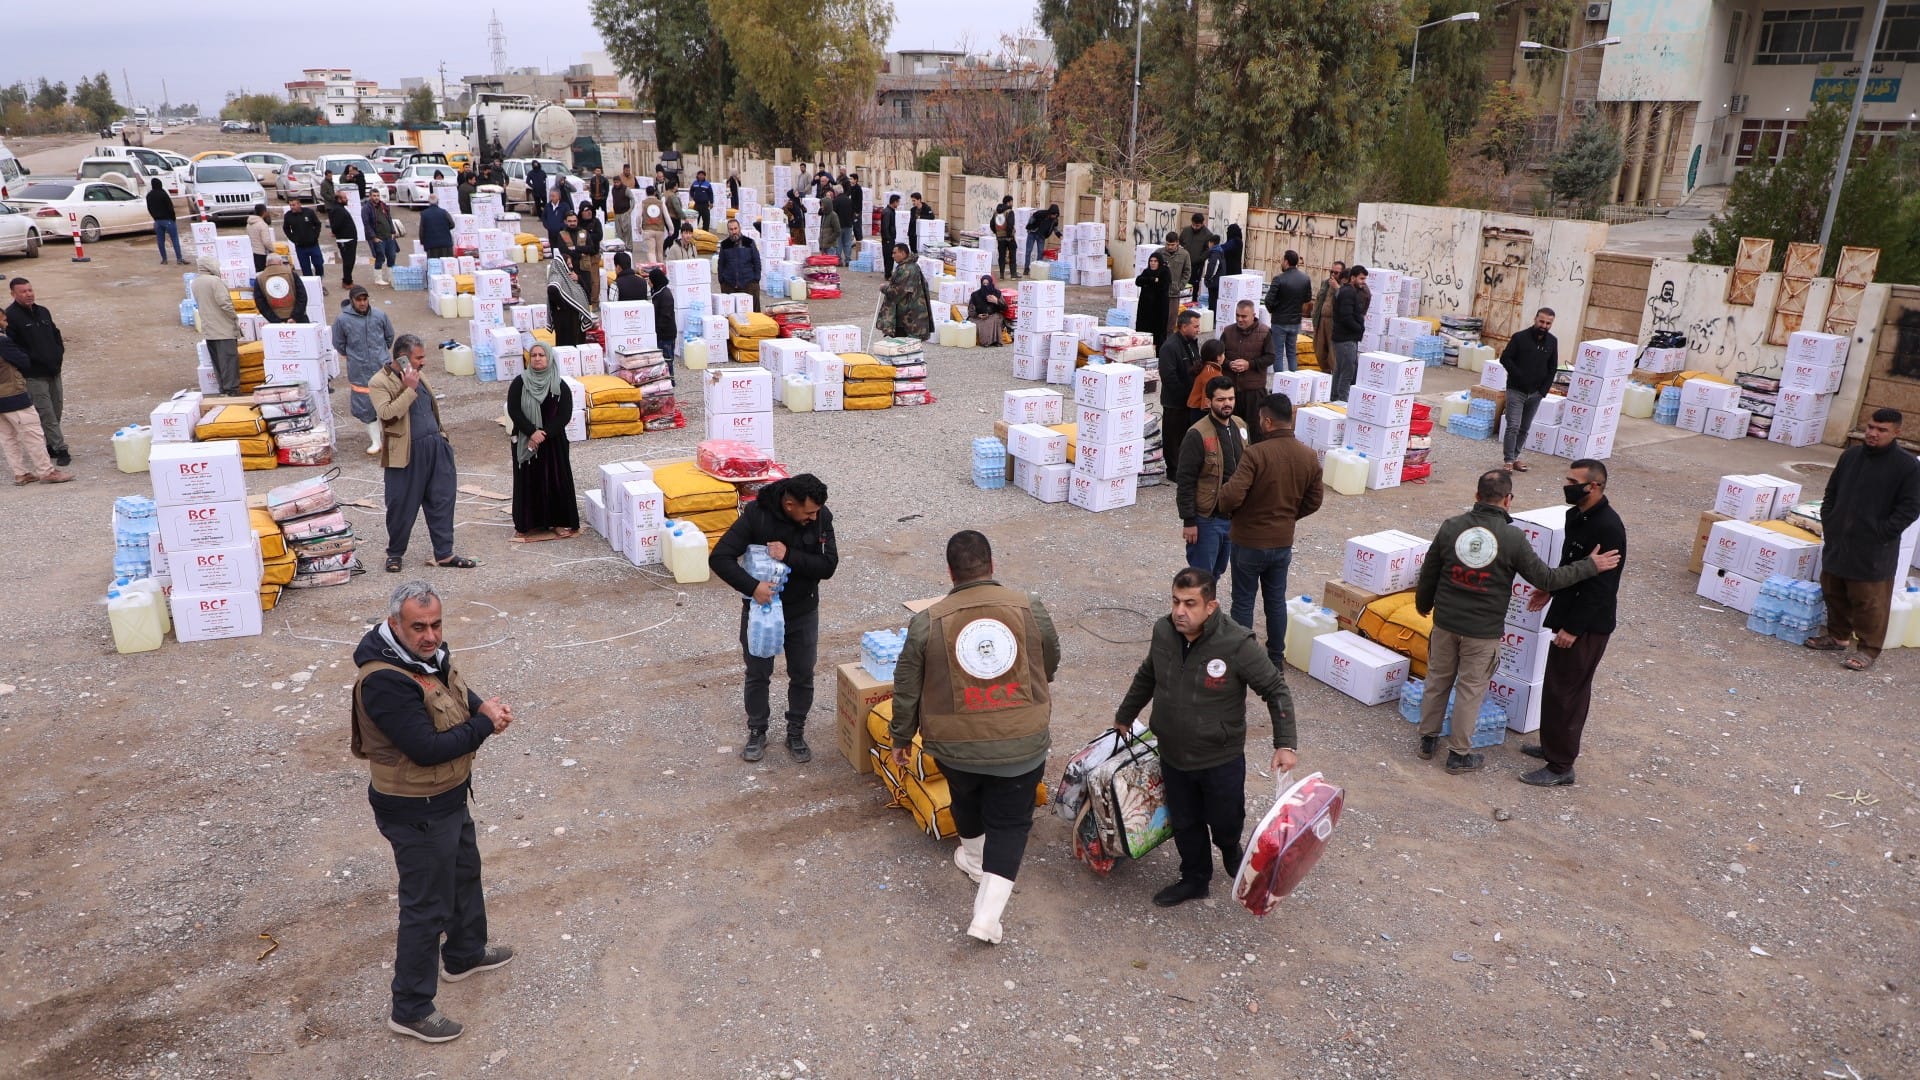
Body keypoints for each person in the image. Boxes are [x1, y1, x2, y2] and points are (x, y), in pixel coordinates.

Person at [353, 581, 515, 1043]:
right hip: (415, 809)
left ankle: (464, 953)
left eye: (436, 624)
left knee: (465, 871)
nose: (430, 636)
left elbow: (451, 684)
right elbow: (426, 749)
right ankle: (409, 1007)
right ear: (393, 625)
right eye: (418, 627)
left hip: (446, 796)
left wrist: (480, 704)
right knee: (425, 907)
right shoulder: (384, 680)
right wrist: (485, 725)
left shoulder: (426, 656)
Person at [888, 530, 1060, 944]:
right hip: (1022, 738)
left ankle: (976, 860)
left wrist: (900, 737)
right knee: (1011, 821)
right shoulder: (1028, 606)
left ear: (950, 572)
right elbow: (1050, 655)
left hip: (954, 745)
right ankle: (986, 914)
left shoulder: (928, 620)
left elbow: (907, 683)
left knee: (964, 795)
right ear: (991, 565)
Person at [1414, 470, 1620, 774]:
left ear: (1476, 496)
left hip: (1445, 623)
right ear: (1508, 500)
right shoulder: (1511, 538)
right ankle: (1458, 754)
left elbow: (1430, 571)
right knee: (1471, 690)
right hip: (1481, 632)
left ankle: (1428, 740)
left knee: (1437, 680)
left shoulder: (1452, 527)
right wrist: (1589, 565)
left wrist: (1423, 604)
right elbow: (1546, 577)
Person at [1113, 567, 1298, 908]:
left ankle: (1229, 846)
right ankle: (1195, 878)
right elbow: (1148, 673)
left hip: (1219, 758)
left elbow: (1275, 689)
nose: (1180, 611)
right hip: (1173, 754)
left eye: (1190, 604)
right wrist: (1125, 716)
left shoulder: (1236, 643)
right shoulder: (1163, 632)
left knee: (1225, 819)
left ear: (1210, 607)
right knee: (1185, 822)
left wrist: (1284, 744)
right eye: (1175, 602)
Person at [709, 474, 839, 764]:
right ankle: (757, 731)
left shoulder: (821, 516)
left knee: (803, 673)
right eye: (808, 512)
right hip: (762, 612)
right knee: (757, 673)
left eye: (817, 512)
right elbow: (720, 557)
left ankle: (796, 731)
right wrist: (752, 587)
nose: (814, 517)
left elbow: (828, 566)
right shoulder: (757, 515)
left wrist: (789, 554)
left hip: (803, 610)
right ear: (789, 504)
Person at [1516, 459, 1627, 787]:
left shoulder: (1609, 527)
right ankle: (1552, 746)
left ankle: (1561, 766)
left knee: (1568, 693)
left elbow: (1602, 588)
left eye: (1572, 480)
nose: (1566, 485)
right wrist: (1549, 588)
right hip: (1568, 612)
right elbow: (1571, 563)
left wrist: (1573, 629)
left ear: (1594, 486)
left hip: (1587, 625)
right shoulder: (1575, 516)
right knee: (1555, 687)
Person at [1216, 392, 1325, 669]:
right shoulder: (1308, 456)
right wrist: (1288, 517)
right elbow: (1314, 501)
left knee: (1243, 601)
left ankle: (1241, 658)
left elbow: (1230, 498)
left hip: (1249, 541)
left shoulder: (1255, 454)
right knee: (1275, 601)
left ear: (1266, 421)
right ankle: (1276, 658)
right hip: (1282, 542)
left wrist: (1230, 502)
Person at [1806, 408, 1920, 671]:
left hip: (1874, 548)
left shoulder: (1906, 467)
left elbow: (1909, 509)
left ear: (1896, 433)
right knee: (1834, 590)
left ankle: (1868, 649)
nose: (1873, 434)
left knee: (1869, 601)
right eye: (1870, 427)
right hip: (1839, 540)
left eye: (1882, 430)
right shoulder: (1850, 456)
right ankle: (1837, 636)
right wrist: (1830, 520)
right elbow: (1831, 493)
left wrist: (1881, 533)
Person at [371, 335, 477, 572]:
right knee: (401, 504)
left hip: (435, 448)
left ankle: (444, 553)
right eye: (419, 357)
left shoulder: (418, 374)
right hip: (406, 454)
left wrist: (442, 438)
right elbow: (387, 414)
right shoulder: (379, 382)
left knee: (442, 500)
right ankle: (395, 553)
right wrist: (409, 389)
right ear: (402, 357)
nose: (424, 362)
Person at [506, 343, 579, 542]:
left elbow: (564, 415)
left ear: (549, 358)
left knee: (556, 481)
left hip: (553, 443)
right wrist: (531, 432)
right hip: (526, 440)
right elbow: (514, 410)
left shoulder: (559, 385)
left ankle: (557, 522)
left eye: (541, 355)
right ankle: (527, 524)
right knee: (527, 482)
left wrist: (543, 433)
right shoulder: (519, 383)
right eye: (534, 355)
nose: (537, 358)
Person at [1176, 376, 1245, 580]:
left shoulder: (1240, 426)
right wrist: (1189, 520)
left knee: (1218, 571)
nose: (1227, 404)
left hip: (1232, 518)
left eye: (1231, 399)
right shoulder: (1197, 434)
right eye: (1221, 399)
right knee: (1201, 576)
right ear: (1208, 402)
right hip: (1207, 519)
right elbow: (1185, 480)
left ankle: (1207, 609)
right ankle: (1197, 610)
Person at [0, 310, 72, 484]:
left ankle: (21, 473)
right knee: (33, 433)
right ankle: (46, 471)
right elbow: (22, 360)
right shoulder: (2, 341)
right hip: (12, 394)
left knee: (7, 437)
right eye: (3, 318)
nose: (6, 322)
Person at [5, 278, 68, 467]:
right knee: (46, 412)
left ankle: (49, 444)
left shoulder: (43, 311)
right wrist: (28, 364)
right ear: (13, 294)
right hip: (34, 375)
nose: (29, 294)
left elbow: (56, 335)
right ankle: (60, 448)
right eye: (23, 291)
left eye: (30, 290)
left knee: (56, 410)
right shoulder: (11, 317)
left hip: (53, 371)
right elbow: (12, 347)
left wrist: (58, 354)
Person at [332, 285, 397, 456]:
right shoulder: (342, 320)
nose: (362, 303)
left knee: (388, 403)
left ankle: (392, 438)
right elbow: (338, 343)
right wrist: (354, 357)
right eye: (358, 300)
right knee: (365, 405)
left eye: (364, 299)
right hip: (359, 369)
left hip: (381, 366)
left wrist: (380, 354)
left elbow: (389, 336)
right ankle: (376, 441)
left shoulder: (379, 315)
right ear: (352, 301)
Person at [1499, 308, 1559, 472]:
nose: (1544, 325)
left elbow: (1552, 367)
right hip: (1516, 390)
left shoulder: (1552, 342)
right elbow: (1505, 358)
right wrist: (1519, 375)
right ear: (1535, 319)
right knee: (1513, 426)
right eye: (1541, 321)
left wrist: (1543, 391)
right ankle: (1509, 460)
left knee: (1525, 428)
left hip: (1536, 394)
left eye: (1548, 323)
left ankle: (1516, 457)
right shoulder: (1520, 338)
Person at [1219, 300, 1277, 440]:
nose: (1240, 319)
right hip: (1232, 390)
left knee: (1256, 429)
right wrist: (1228, 364)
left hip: (1254, 391)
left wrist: (1249, 364)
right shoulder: (1227, 331)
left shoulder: (1264, 332)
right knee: (1232, 428)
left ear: (1253, 315)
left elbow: (1270, 357)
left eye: (1244, 316)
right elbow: (1219, 357)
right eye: (1237, 315)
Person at [1157, 309, 1203, 479]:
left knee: (1186, 436)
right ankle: (1173, 471)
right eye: (1195, 326)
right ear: (1184, 327)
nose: (1199, 329)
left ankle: (1184, 468)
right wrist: (1185, 396)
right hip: (1175, 402)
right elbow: (1169, 377)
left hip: (1190, 401)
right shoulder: (1170, 347)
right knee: (1173, 438)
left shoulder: (1192, 342)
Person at [190, 252, 242, 395]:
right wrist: (234, 316)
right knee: (229, 361)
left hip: (209, 329)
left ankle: (223, 389)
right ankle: (232, 391)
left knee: (218, 362)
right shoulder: (215, 281)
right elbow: (224, 303)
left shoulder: (195, 282)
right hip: (223, 328)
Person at [1263, 250, 1313, 374]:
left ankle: (1280, 382)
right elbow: (1307, 298)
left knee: (1278, 353)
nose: (1281, 262)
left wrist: (1274, 310)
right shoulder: (1305, 278)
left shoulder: (1279, 279)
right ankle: (1293, 381)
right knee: (1291, 352)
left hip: (1279, 321)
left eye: (1282, 260)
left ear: (1286, 261)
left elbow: (1268, 301)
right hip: (1295, 321)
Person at [876, 244, 933, 340]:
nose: (892, 256)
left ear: (902, 253)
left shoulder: (906, 269)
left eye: (895, 253)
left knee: (903, 342)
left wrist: (884, 288)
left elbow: (898, 292)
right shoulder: (911, 266)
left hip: (907, 316)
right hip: (910, 313)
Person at [1330, 264, 1369, 401]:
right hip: (1346, 339)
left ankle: (1335, 399)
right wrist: (1359, 328)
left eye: (1364, 279)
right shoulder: (1348, 293)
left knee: (1340, 370)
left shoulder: (1349, 291)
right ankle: (1341, 401)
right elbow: (1346, 317)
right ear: (1352, 278)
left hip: (1344, 337)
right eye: (1361, 278)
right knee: (1347, 372)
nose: (1363, 282)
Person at [546, 248, 595, 349]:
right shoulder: (557, 278)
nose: (571, 266)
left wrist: (579, 279)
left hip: (574, 321)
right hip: (565, 322)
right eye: (568, 264)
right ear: (562, 266)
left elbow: (586, 292)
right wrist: (565, 306)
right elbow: (552, 289)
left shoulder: (569, 279)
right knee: (567, 349)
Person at [717, 218, 761, 312]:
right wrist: (722, 280)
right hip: (730, 284)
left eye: (735, 228)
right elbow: (721, 264)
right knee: (731, 314)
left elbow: (756, 261)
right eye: (731, 229)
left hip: (748, 283)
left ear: (739, 228)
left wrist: (756, 279)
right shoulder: (725, 244)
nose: (734, 232)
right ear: (728, 230)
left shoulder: (749, 242)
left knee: (754, 313)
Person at [252, 255, 310, 324]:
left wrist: (276, 321)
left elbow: (261, 304)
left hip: (277, 319)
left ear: (266, 264)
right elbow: (302, 296)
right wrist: (295, 317)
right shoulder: (291, 273)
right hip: (299, 318)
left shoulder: (259, 278)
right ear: (280, 263)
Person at [1312, 260, 1346, 367]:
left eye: (1336, 273)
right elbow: (1318, 301)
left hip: (1334, 322)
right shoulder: (1325, 283)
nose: (1333, 275)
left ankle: (1334, 377)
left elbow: (1346, 300)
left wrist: (1337, 288)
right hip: (1321, 320)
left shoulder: (1345, 286)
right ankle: (1324, 375)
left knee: (1333, 353)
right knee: (1319, 351)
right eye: (1332, 272)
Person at [1134, 252, 1171, 348]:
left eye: (1155, 261)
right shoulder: (1147, 271)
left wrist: (1147, 282)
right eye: (1151, 261)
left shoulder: (1164, 272)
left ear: (1159, 262)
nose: (1152, 263)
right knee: (1144, 330)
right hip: (1145, 308)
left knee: (1158, 332)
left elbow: (1162, 285)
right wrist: (1152, 280)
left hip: (1159, 308)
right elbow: (1138, 281)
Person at [362, 191, 399, 288]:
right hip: (378, 238)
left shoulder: (384, 205)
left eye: (378, 195)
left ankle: (391, 277)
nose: (376, 197)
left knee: (392, 256)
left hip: (388, 236)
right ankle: (378, 279)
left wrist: (393, 232)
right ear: (370, 197)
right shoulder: (366, 208)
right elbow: (366, 224)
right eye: (374, 196)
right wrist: (373, 237)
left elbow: (389, 219)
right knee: (380, 257)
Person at [284, 196, 325, 279]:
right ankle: (310, 285)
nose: (292, 207)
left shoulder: (309, 212)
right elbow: (286, 228)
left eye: (294, 205)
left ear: (299, 204)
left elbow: (317, 224)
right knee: (306, 269)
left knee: (319, 264)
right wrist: (293, 239)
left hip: (313, 245)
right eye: (290, 205)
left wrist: (315, 236)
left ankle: (320, 283)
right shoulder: (288, 216)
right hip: (300, 247)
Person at [1179, 213, 1216, 297]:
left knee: (1194, 285)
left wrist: (1200, 259)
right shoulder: (1186, 230)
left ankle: (1193, 299)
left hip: (1197, 265)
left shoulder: (1208, 234)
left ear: (1202, 223)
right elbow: (1180, 241)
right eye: (1193, 225)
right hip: (1183, 262)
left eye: (1197, 225)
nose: (1195, 227)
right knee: (1182, 282)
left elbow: (1208, 250)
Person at [1159, 232, 1191, 329]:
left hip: (1174, 293)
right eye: (1168, 244)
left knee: (1171, 321)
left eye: (1172, 245)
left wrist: (1180, 286)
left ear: (1177, 243)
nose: (1170, 247)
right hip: (1160, 291)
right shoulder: (1159, 253)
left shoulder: (1184, 254)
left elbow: (1187, 272)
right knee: (1159, 319)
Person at [647, 267, 677, 372]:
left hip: (665, 335)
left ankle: (671, 381)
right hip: (661, 334)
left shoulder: (665, 295)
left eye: (650, 280)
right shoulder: (658, 292)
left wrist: (656, 330)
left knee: (667, 360)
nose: (649, 282)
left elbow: (666, 317)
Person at [328, 192, 359, 287]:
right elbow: (336, 225)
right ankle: (347, 281)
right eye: (345, 198)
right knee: (348, 261)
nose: (347, 199)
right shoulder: (338, 210)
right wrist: (335, 232)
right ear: (339, 199)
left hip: (349, 239)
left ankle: (347, 279)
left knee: (350, 261)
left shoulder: (340, 208)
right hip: (345, 240)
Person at [147, 178, 181, 264]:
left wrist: (155, 218)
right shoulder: (163, 194)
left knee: (160, 241)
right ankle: (179, 259)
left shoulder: (149, 196)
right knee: (174, 239)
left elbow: (149, 209)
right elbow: (170, 207)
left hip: (157, 221)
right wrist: (173, 219)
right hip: (168, 220)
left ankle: (164, 259)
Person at [577, 204, 605, 302]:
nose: (589, 212)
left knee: (595, 281)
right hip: (581, 257)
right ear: (581, 212)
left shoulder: (596, 222)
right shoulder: (577, 223)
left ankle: (594, 302)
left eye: (590, 210)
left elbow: (599, 236)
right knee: (582, 280)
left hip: (593, 256)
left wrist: (586, 236)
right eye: (586, 210)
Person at [969, 274, 1006, 348]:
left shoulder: (997, 293)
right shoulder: (975, 294)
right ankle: (985, 341)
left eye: (987, 284)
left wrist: (996, 301)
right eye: (984, 284)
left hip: (993, 315)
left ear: (991, 283)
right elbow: (971, 310)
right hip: (978, 317)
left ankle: (994, 341)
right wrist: (977, 315)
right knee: (978, 323)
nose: (985, 286)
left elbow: (1005, 308)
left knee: (992, 321)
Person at [1023, 203, 1057, 276]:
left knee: (1040, 252)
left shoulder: (1055, 220)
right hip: (1033, 233)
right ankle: (1026, 268)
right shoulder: (1041, 213)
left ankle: (1038, 269)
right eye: (1053, 214)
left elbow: (1055, 229)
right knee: (1028, 251)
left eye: (1056, 215)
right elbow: (1032, 218)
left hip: (1041, 236)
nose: (1054, 216)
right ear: (1050, 212)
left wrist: (1059, 235)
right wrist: (1029, 227)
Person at [638, 185, 668, 263]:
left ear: (646, 193)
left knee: (651, 251)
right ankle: (661, 268)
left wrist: (639, 228)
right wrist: (671, 229)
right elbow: (666, 216)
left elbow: (638, 217)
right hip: (660, 229)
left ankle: (654, 268)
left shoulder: (643, 203)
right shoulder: (660, 203)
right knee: (660, 252)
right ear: (655, 193)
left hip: (647, 229)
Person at [990, 197, 1018, 281]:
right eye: (1012, 202)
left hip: (1000, 238)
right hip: (1009, 238)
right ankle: (1013, 275)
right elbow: (1010, 224)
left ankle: (1001, 275)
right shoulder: (1010, 212)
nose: (1012, 204)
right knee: (1012, 255)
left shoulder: (996, 212)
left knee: (1001, 256)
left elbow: (991, 225)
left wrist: (997, 233)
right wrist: (1009, 235)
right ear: (1009, 202)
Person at [245, 204, 274, 274]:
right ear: (264, 212)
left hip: (254, 252)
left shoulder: (249, 224)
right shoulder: (262, 225)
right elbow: (266, 241)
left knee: (258, 274)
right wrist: (272, 249)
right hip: (262, 253)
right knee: (265, 274)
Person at [830, 186, 855, 265]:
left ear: (836, 192)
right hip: (848, 224)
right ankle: (848, 260)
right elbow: (853, 212)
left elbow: (833, 214)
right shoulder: (849, 200)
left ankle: (838, 260)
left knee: (838, 243)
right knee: (847, 243)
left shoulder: (835, 201)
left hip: (838, 225)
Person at [879, 193, 900, 277]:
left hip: (890, 238)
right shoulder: (887, 212)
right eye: (898, 202)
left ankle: (889, 274)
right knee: (888, 257)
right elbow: (885, 226)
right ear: (894, 202)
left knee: (890, 257)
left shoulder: (891, 211)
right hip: (888, 239)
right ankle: (888, 275)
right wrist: (888, 238)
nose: (898, 204)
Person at [610, 174, 632, 245]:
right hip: (617, 214)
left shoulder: (626, 189)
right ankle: (621, 247)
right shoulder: (613, 189)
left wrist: (630, 210)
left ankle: (629, 247)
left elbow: (633, 199)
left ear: (620, 181)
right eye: (615, 182)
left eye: (617, 182)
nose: (616, 184)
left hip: (625, 213)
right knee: (618, 232)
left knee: (627, 231)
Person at [845, 172, 864, 240]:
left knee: (857, 227)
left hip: (856, 211)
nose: (850, 180)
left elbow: (859, 201)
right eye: (849, 179)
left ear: (855, 180)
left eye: (851, 179)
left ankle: (859, 241)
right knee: (851, 227)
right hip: (850, 211)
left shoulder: (858, 189)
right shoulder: (850, 187)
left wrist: (857, 212)